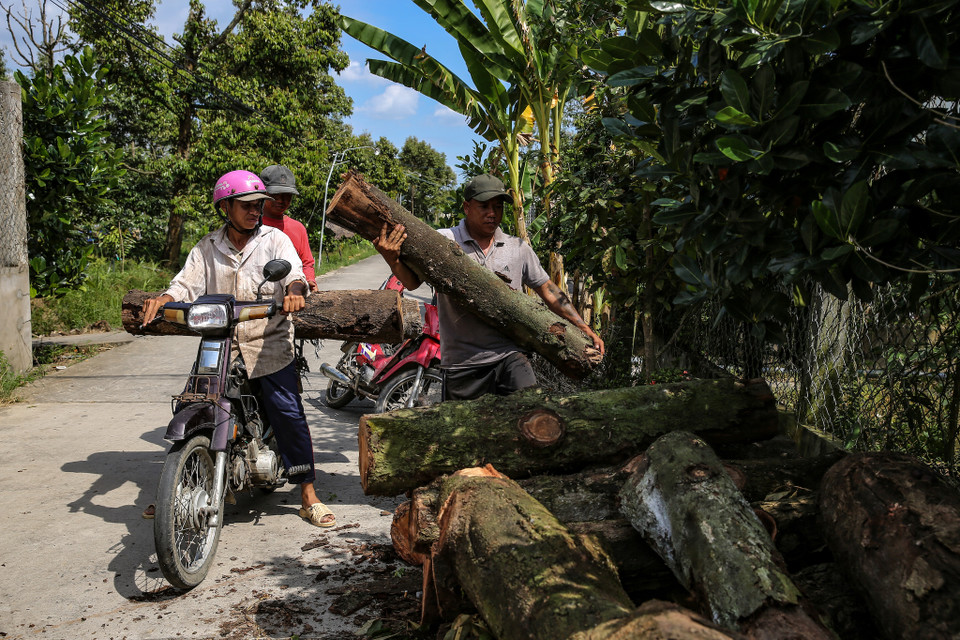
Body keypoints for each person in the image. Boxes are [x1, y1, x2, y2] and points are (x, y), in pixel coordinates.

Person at [141, 170, 335, 528]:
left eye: (259, 204)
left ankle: (308, 495)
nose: (254, 211)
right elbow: (186, 282)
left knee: (287, 412)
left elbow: (293, 271)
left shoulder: (274, 240)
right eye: (246, 205)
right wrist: (165, 298)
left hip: (269, 341)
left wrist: (295, 291)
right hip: (221, 342)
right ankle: (175, 488)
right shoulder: (208, 246)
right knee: (194, 399)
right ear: (225, 206)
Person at [373, 173, 604, 401]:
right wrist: (392, 259)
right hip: (462, 363)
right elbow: (414, 282)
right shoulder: (443, 241)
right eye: (484, 206)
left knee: (531, 415)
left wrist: (582, 326)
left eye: (498, 207)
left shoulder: (517, 248)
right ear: (466, 207)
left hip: (510, 356)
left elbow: (548, 289)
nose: (492, 214)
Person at [260, 164, 317, 292]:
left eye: (287, 195)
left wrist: (309, 280)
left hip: (293, 295)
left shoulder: (298, 228)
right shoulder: (251, 225)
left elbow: (307, 263)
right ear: (263, 193)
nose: (281, 200)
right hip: (259, 295)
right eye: (275, 195)